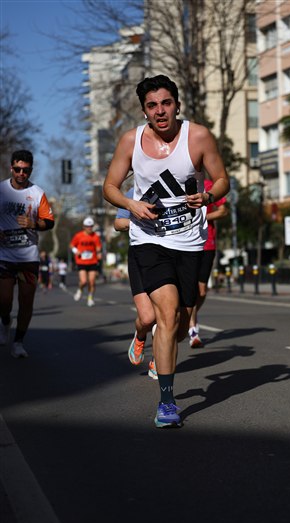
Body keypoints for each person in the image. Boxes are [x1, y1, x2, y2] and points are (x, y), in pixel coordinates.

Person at [103, 74, 229, 427]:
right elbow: (109, 186)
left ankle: (158, 351)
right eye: (152, 105)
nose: (160, 111)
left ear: (177, 104)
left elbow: (223, 180)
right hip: (149, 240)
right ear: (144, 110)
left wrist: (208, 196)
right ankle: (167, 401)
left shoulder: (198, 136)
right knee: (167, 314)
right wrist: (131, 204)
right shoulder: (131, 141)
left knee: (179, 325)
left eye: (166, 103)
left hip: (189, 242)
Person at [0, 149, 54, 358]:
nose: (21, 173)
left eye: (26, 170)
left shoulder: (37, 193)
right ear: (11, 168)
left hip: (28, 257)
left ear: (31, 170)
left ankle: (18, 342)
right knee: (4, 301)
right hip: (4, 255)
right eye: (17, 169)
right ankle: (5, 321)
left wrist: (34, 223)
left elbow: (49, 221)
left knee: (26, 301)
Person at [114, 193, 157, 380]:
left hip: (172, 254)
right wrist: (141, 222)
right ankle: (140, 336)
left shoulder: (178, 184)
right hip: (140, 253)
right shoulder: (136, 191)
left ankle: (158, 359)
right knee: (148, 318)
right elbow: (118, 223)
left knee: (166, 317)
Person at [188, 178, 228, 347]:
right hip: (186, 244)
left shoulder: (210, 185)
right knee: (191, 288)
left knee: (202, 291)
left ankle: (189, 315)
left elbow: (223, 211)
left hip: (207, 243)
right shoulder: (180, 181)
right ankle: (193, 329)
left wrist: (202, 217)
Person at [70, 216, 102, 307]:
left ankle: (90, 298)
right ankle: (80, 290)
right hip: (81, 261)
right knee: (83, 281)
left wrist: (99, 253)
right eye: (87, 226)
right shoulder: (78, 236)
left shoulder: (95, 236)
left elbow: (98, 247)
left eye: (91, 226)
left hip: (92, 261)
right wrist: (76, 251)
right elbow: (71, 245)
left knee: (92, 281)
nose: (89, 228)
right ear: (83, 227)